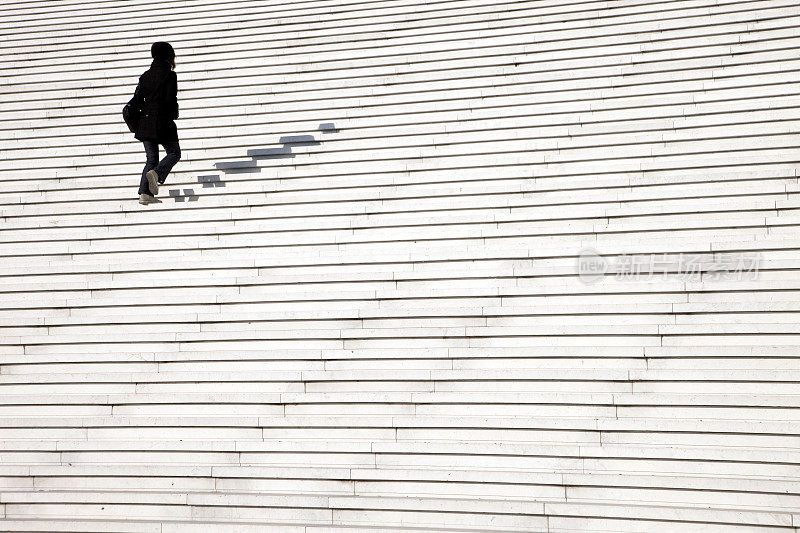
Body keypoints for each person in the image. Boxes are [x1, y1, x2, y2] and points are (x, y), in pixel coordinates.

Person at [134, 42, 181, 205]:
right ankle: (157, 174)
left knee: (151, 159)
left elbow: (138, 101)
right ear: (169, 56)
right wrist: (174, 114)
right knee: (174, 153)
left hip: (145, 123)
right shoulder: (170, 75)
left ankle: (144, 193)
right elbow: (170, 100)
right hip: (163, 122)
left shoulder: (145, 76)